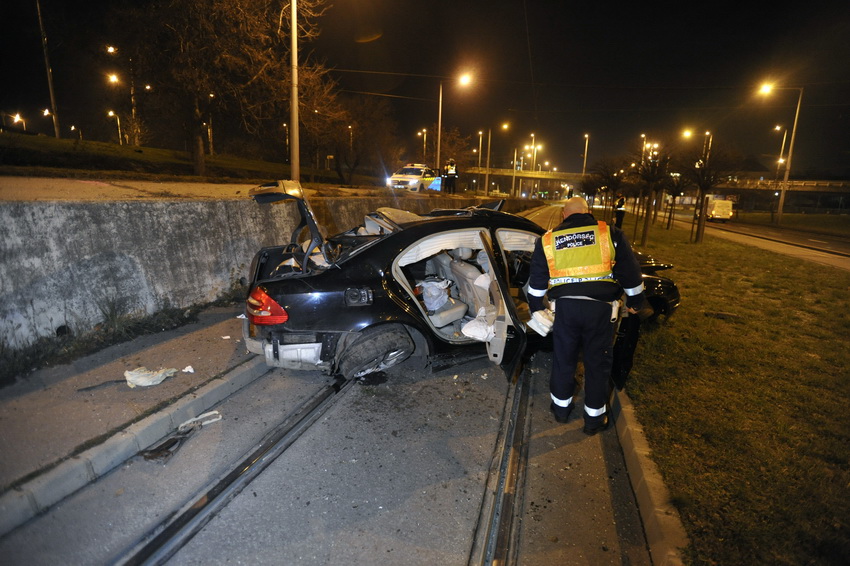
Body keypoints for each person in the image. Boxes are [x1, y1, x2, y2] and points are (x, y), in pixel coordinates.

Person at [527, 197, 646, 435]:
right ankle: (593, 420)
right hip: (600, 311)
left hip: (565, 311)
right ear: (588, 212)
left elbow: (536, 286)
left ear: (563, 215)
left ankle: (561, 410)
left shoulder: (548, 239)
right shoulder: (609, 233)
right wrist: (635, 302)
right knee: (597, 362)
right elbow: (630, 275)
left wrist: (535, 310)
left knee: (564, 359)